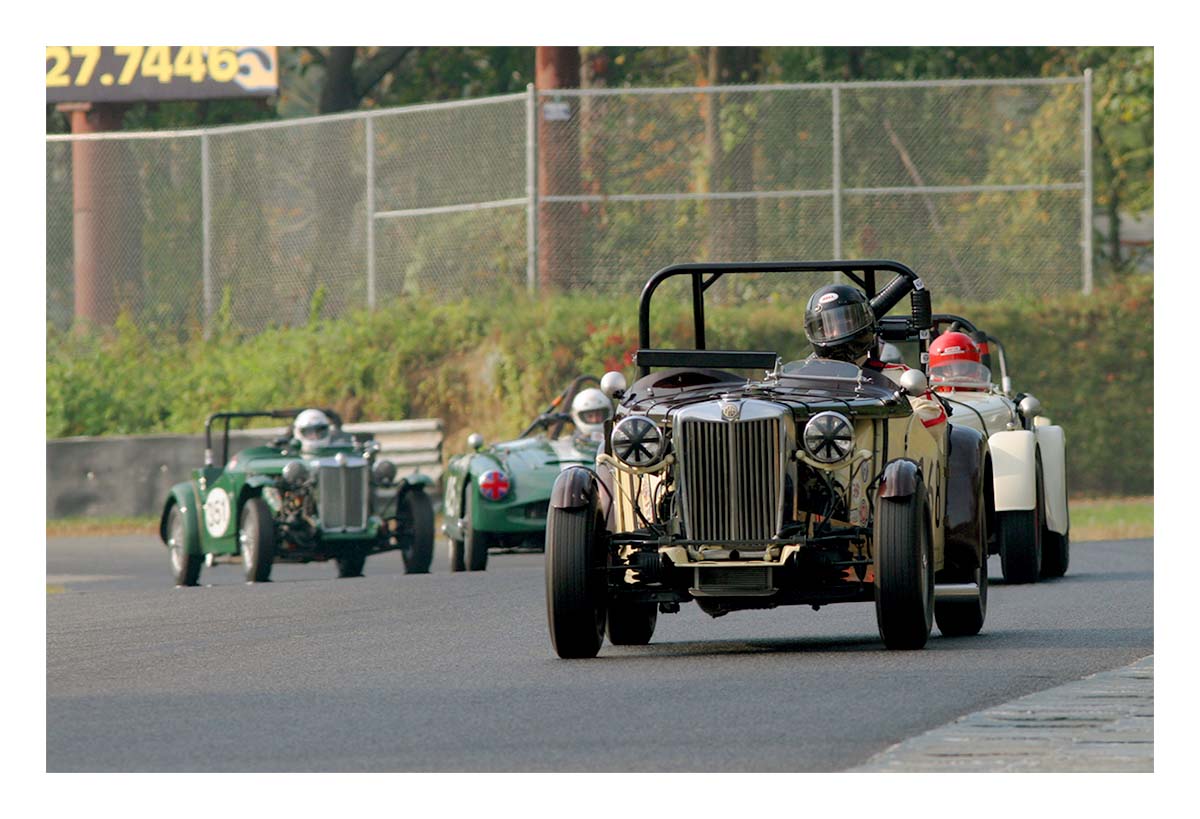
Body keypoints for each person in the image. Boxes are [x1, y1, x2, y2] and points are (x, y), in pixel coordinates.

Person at [803, 284, 947, 436]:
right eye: (829, 327)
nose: (837, 332)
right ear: (815, 331)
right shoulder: (799, 379)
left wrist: (882, 423)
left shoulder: (897, 377)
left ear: (864, 322)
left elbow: (934, 415)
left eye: (845, 323)